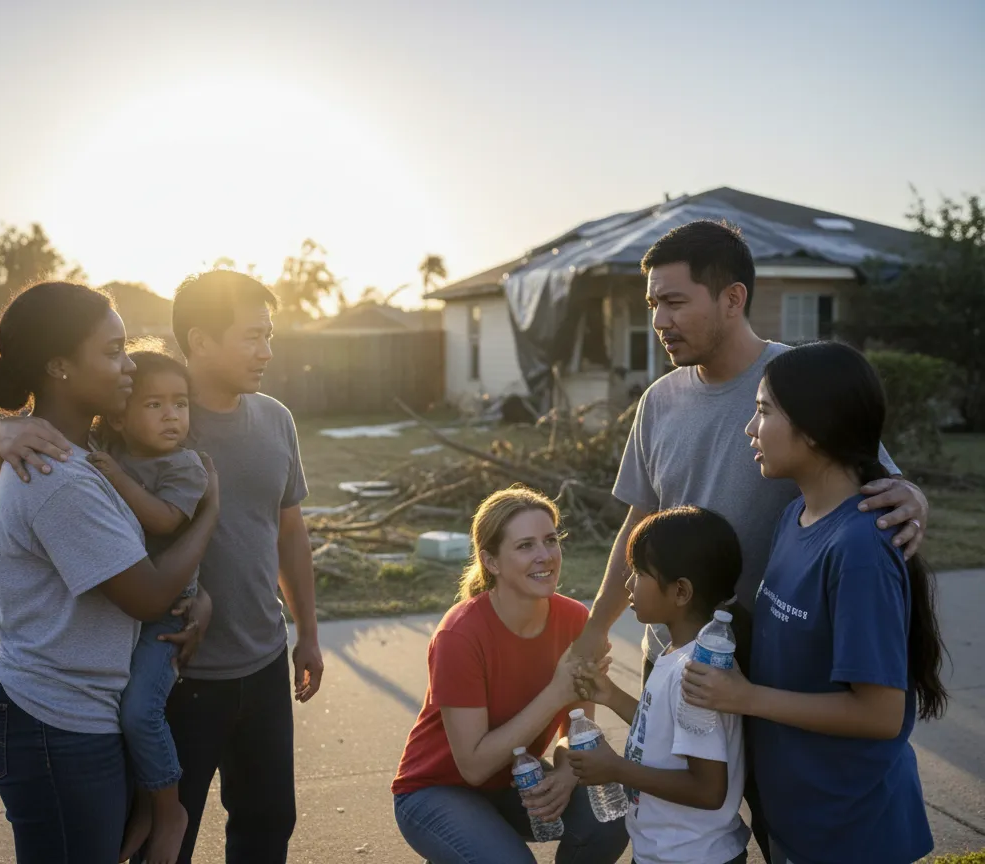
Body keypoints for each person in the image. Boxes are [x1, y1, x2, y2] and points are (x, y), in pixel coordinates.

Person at [570, 219, 930, 857]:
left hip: (779, 663)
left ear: (732, 299)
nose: (660, 319)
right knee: (683, 825)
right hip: (679, 650)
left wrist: (915, 495)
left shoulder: (796, 384)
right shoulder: (658, 402)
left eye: (675, 301)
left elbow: (868, 480)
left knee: (782, 816)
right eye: (653, 304)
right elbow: (638, 524)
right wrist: (599, 624)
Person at [0, 270, 322, 864]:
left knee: (267, 821)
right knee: (159, 841)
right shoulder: (134, 422)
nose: (267, 351)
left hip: (250, 658)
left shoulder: (268, 421)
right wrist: (2, 433)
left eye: (270, 336)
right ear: (200, 339)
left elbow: (289, 531)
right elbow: (58, 450)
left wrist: (306, 634)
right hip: (152, 678)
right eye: (252, 336)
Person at [0, 281, 220, 864]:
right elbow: (148, 594)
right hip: (52, 718)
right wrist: (210, 511)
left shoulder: (77, 455)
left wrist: (198, 598)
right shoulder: (60, 478)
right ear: (59, 367)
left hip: (69, 710)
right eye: (112, 352)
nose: (129, 365)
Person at [681, 341, 948, 864]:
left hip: (852, 829)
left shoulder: (859, 548)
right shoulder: (795, 517)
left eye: (762, 411)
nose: (749, 429)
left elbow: (879, 715)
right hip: (798, 815)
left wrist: (744, 697)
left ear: (815, 426)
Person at [391, 486, 629, 864]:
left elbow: (577, 729)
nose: (545, 556)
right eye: (525, 546)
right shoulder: (460, 635)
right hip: (436, 790)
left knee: (609, 822)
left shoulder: (574, 621)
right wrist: (556, 692)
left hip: (518, 780)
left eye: (550, 540)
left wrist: (567, 775)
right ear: (492, 562)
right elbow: (473, 766)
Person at [86, 348, 214, 863]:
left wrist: (116, 477)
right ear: (119, 414)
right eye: (155, 404)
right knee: (114, 717)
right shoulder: (109, 447)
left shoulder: (186, 466)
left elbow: (164, 521)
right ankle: (145, 803)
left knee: (141, 712)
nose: (172, 416)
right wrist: (1, 435)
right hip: (119, 610)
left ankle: (168, 808)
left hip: (167, 614)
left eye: (180, 404)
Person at [567, 507, 751, 864]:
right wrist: (611, 695)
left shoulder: (697, 674)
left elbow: (709, 789)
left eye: (638, 573)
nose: (627, 584)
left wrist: (614, 768)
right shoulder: (680, 651)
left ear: (680, 591)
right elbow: (666, 732)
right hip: (671, 851)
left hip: (691, 856)